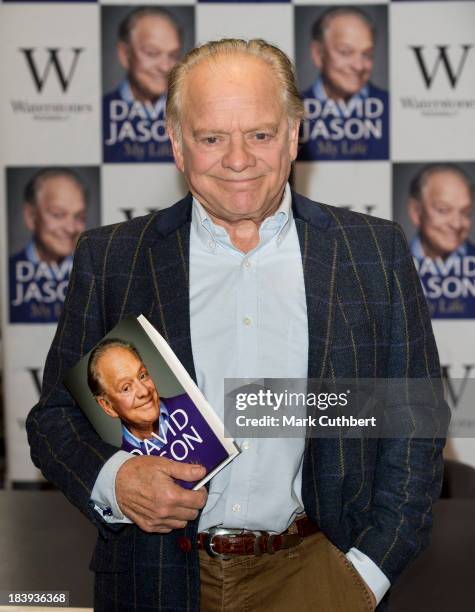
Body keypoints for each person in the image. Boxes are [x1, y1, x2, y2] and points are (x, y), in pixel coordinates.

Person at [27, 39, 447, 611]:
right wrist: (116, 482)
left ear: (294, 135)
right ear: (177, 144)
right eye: (211, 137)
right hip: (155, 580)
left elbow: (414, 421)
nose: (238, 159)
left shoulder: (373, 252)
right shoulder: (115, 258)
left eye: (260, 134)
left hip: (321, 575)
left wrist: (365, 576)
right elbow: (55, 418)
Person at [298, 6, 389, 161]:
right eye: (345, 52)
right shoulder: (294, 110)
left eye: (367, 54)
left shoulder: (390, 109)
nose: (359, 66)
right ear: (318, 54)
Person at [103, 7, 183, 162]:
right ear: (124, 54)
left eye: (173, 55)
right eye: (152, 53)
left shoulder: (189, 114)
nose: (165, 67)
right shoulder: (100, 116)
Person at [9, 167, 87, 323]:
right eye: (58, 215)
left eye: (79, 217)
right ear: (31, 217)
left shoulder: (93, 277)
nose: (71, 228)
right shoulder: (8, 275)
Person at [407, 163, 475, 318]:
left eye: (465, 212)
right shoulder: (392, 267)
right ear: (416, 212)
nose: (457, 224)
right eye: (443, 210)